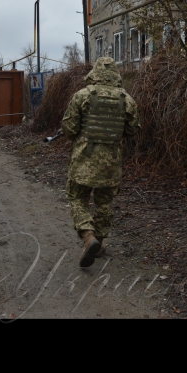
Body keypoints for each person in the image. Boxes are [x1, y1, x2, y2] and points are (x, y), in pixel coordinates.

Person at [61, 57, 140, 268]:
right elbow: (133, 131)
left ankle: (88, 237)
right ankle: (100, 243)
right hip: (111, 163)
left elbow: (69, 130)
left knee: (77, 197)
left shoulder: (83, 96)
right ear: (116, 74)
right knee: (104, 203)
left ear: (94, 72)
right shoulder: (127, 99)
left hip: (83, 161)